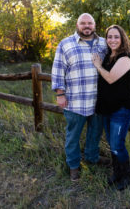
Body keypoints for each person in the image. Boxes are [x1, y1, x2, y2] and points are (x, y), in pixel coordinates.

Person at [51, 13, 108, 181]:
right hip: (75, 101)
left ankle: (92, 158)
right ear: (77, 25)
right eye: (83, 23)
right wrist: (60, 94)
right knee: (72, 137)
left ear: (94, 25)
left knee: (95, 133)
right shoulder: (66, 44)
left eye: (90, 23)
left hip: (99, 101)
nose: (86, 26)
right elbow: (58, 70)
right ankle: (74, 166)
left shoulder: (104, 43)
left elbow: (119, 58)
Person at [92, 25, 130, 191]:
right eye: (109, 37)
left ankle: (126, 174)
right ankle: (117, 172)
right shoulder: (109, 56)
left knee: (117, 145)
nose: (112, 40)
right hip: (107, 108)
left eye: (116, 37)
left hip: (121, 109)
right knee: (112, 143)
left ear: (122, 38)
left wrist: (97, 65)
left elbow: (110, 78)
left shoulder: (125, 57)